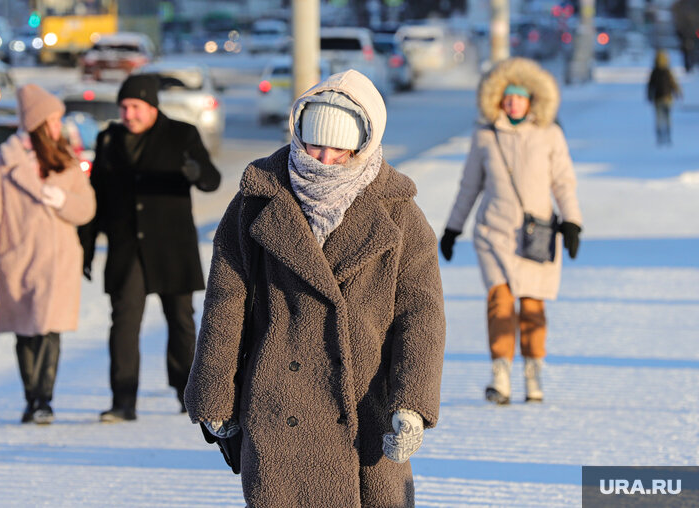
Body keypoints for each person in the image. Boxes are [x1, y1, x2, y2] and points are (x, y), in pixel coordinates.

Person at [185, 69, 446, 507]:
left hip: (367, 409)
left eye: (338, 147)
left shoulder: (400, 215)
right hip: (277, 405)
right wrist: (215, 395)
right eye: (312, 143)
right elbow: (225, 303)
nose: (322, 157)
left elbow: (421, 316)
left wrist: (413, 403)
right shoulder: (257, 201)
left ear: (363, 144)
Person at [79, 74, 221, 423]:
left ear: (151, 105)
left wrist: (195, 171)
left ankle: (188, 395)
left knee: (181, 322)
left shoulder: (181, 134)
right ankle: (123, 400)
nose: (128, 114)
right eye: (124, 107)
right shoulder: (109, 138)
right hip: (127, 251)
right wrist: (85, 248)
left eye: (135, 107)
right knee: (124, 325)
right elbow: (95, 197)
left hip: (172, 246)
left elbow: (212, 180)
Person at [440, 57, 582, 405]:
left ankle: (533, 373)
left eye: (520, 96)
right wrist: (452, 228)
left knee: (532, 306)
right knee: (499, 302)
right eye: (508, 95)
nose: (513, 102)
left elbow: (563, 182)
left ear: (533, 99)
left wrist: (573, 221)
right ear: (497, 98)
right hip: (494, 233)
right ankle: (500, 374)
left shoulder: (550, 134)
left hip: (537, 236)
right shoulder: (485, 135)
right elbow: (469, 185)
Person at [0, 84, 96, 424]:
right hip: (18, 262)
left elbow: (87, 208)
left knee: (50, 330)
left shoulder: (66, 160)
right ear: (40, 123)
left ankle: (44, 400)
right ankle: (32, 397)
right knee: (27, 332)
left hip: (59, 262)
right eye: (54, 120)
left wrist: (62, 201)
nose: (59, 126)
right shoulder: (3, 166)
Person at [647, 50, 682, 146]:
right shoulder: (668, 71)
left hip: (657, 99)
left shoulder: (654, 72)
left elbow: (650, 85)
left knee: (659, 119)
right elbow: (673, 83)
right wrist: (678, 93)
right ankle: (668, 135)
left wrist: (649, 96)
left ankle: (659, 136)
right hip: (668, 98)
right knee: (667, 118)